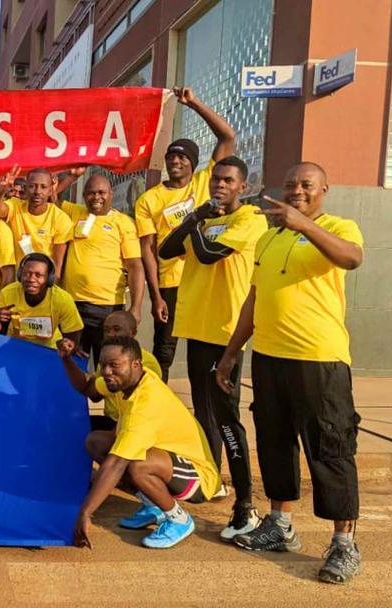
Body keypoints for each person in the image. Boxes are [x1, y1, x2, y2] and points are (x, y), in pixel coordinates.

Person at [216, 162, 365, 584]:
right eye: (290, 184)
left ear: (324, 189)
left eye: (306, 184)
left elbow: (352, 258)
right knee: (275, 443)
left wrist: (305, 225)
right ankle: (279, 525)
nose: (296, 190)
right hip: (269, 358)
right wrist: (231, 354)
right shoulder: (268, 238)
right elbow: (254, 298)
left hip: (320, 359)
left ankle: (344, 544)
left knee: (330, 447)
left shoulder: (338, 227)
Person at [159, 156, 267, 540]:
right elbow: (166, 250)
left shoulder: (249, 220)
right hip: (197, 329)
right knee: (204, 413)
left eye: (228, 180)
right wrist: (195, 219)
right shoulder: (205, 221)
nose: (219, 185)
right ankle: (212, 481)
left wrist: (194, 222)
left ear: (243, 186)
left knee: (226, 418)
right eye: (216, 179)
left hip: (226, 334)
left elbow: (207, 254)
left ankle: (246, 504)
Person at [61, 336, 220, 550]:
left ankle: (179, 519)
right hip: (166, 460)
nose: (106, 372)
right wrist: (67, 360)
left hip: (198, 477)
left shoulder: (145, 404)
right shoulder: (126, 381)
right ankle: (153, 505)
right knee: (96, 442)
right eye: (103, 365)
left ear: (136, 365)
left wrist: (85, 513)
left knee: (137, 465)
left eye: (114, 365)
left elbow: (116, 464)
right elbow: (89, 387)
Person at [134, 87, 236, 380]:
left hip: (205, 278)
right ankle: (159, 398)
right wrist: (156, 296)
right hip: (171, 283)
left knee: (206, 347)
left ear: (193, 162)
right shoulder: (149, 199)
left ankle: (209, 399)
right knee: (164, 350)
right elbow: (148, 251)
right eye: (170, 157)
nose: (175, 162)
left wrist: (194, 103)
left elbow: (227, 137)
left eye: (182, 158)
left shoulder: (205, 182)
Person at [59, 172, 146, 364]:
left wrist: (136, 307)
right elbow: (51, 196)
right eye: (91, 193)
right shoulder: (74, 212)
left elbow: (135, 266)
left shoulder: (123, 223)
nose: (96, 197)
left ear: (111, 194)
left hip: (107, 308)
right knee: (72, 362)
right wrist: (72, 176)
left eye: (101, 192)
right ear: (84, 196)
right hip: (73, 305)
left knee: (108, 363)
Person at [0, 253, 83, 348]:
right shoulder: (8, 293)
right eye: (26, 274)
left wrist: (69, 347)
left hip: (48, 349)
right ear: (19, 275)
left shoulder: (62, 299)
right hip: (15, 345)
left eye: (38, 275)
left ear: (49, 279)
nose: (31, 279)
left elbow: (72, 335)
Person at [89, 310, 162, 431]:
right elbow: (95, 396)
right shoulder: (105, 360)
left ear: (133, 333)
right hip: (111, 420)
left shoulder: (147, 362)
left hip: (137, 423)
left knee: (94, 439)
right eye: (106, 330)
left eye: (117, 329)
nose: (110, 334)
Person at [0, 166, 74, 273]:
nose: (37, 191)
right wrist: (0, 191)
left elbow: (57, 266)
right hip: (18, 276)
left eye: (43, 187)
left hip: (43, 278)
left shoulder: (60, 219)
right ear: (25, 189)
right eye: (32, 186)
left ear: (50, 190)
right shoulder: (16, 206)